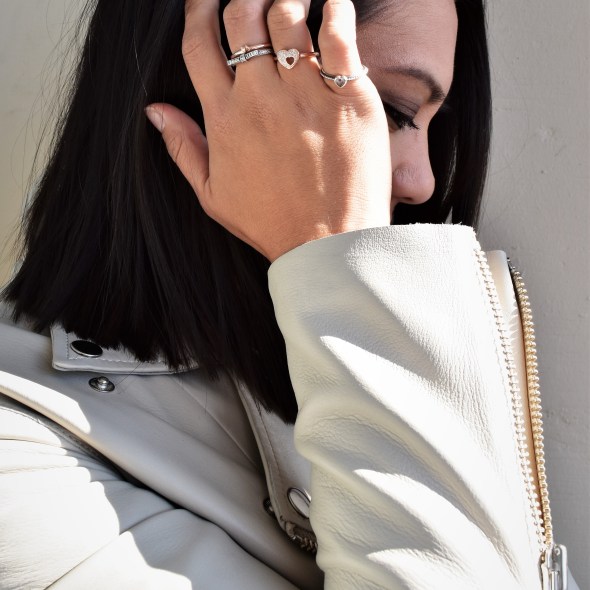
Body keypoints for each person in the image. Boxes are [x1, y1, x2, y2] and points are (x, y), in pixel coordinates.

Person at [0, 0, 579, 588]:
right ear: (207, 77)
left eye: (436, 120)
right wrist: (343, 259)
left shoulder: (438, 343)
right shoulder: (18, 454)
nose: (424, 180)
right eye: (394, 110)